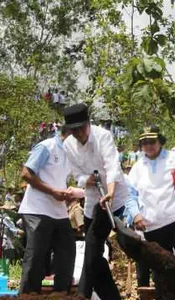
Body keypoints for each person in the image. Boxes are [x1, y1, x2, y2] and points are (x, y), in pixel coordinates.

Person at [125, 125, 175, 300]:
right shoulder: (137, 168)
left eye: (152, 141)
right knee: (162, 271)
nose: (149, 146)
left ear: (160, 141)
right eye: (144, 142)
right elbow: (129, 195)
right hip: (154, 227)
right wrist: (135, 214)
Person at [63, 103, 129, 300]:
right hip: (92, 200)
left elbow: (113, 167)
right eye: (74, 130)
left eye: (82, 128)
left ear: (88, 124)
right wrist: (87, 180)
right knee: (95, 256)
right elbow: (77, 175)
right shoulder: (68, 146)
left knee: (92, 245)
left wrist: (109, 192)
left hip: (113, 199)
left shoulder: (103, 136)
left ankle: (82, 294)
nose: (79, 133)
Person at [18, 120, 80, 294]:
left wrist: (67, 193)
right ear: (68, 133)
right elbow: (26, 173)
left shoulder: (71, 153)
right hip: (37, 208)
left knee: (67, 249)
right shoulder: (47, 146)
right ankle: (28, 293)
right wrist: (52, 191)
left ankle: (61, 292)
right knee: (37, 252)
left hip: (58, 210)